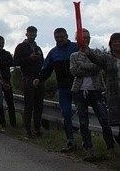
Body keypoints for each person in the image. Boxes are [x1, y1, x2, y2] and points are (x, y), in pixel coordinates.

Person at [71, 29, 115, 160]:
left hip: (96, 90)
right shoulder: (74, 55)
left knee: (105, 120)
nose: (86, 40)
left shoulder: (96, 53)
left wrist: (82, 66)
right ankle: (88, 149)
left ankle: (111, 149)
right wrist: (90, 67)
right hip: (79, 91)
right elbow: (74, 71)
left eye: (88, 37)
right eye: (83, 38)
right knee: (83, 122)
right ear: (78, 40)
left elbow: (98, 68)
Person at [34, 27, 78, 152]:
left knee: (83, 114)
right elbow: (46, 69)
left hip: (78, 86)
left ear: (67, 36)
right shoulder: (53, 52)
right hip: (63, 87)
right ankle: (70, 141)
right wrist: (39, 78)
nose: (59, 39)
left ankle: (87, 143)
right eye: (57, 38)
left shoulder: (75, 47)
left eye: (61, 37)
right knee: (66, 113)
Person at [84, 33, 120, 153]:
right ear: (110, 44)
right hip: (114, 95)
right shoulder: (107, 59)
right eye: (114, 41)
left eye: (119, 41)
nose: (117, 43)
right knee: (115, 124)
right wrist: (86, 50)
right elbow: (95, 59)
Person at [13, 26, 45, 139]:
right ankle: (28, 130)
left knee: (39, 106)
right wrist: (29, 58)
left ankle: (37, 129)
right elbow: (15, 61)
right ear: (26, 34)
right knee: (29, 106)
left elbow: (43, 64)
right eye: (30, 34)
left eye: (34, 34)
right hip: (27, 79)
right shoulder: (21, 47)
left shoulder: (38, 48)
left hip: (39, 80)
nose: (32, 36)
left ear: (36, 34)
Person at [0, 35, 16, 127]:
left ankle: (13, 123)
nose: (1, 45)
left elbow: (11, 63)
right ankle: (2, 122)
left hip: (7, 80)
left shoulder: (7, 53)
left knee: (10, 102)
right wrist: (3, 65)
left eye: (2, 43)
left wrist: (1, 64)